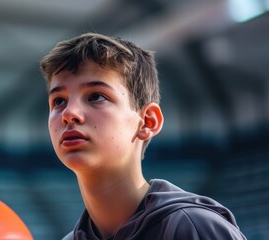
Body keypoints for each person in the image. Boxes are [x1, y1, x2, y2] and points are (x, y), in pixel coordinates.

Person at [39, 33, 247, 240]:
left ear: (148, 121)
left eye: (96, 96)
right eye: (58, 101)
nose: (69, 113)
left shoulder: (196, 228)